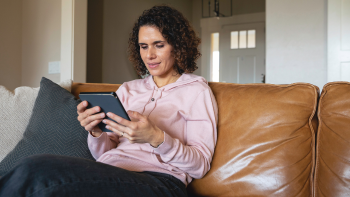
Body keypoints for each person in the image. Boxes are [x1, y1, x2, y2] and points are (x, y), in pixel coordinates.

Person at [0, 5, 218, 197]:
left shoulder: (196, 91)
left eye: (158, 45)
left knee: (36, 168)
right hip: (109, 170)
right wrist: (96, 132)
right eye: (143, 46)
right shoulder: (128, 89)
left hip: (160, 182)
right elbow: (104, 153)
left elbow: (199, 165)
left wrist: (157, 137)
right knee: (35, 171)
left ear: (177, 46)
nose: (149, 54)